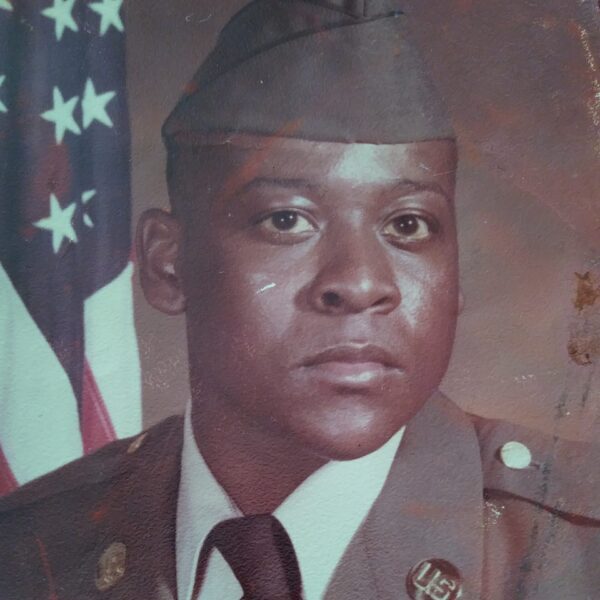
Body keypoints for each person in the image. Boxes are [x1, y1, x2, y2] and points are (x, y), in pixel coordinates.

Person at [1, 1, 599, 599]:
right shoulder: (30, 552)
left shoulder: (577, 552)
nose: (361, 283)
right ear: (167, 265)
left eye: (409, 224)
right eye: (286, 219)